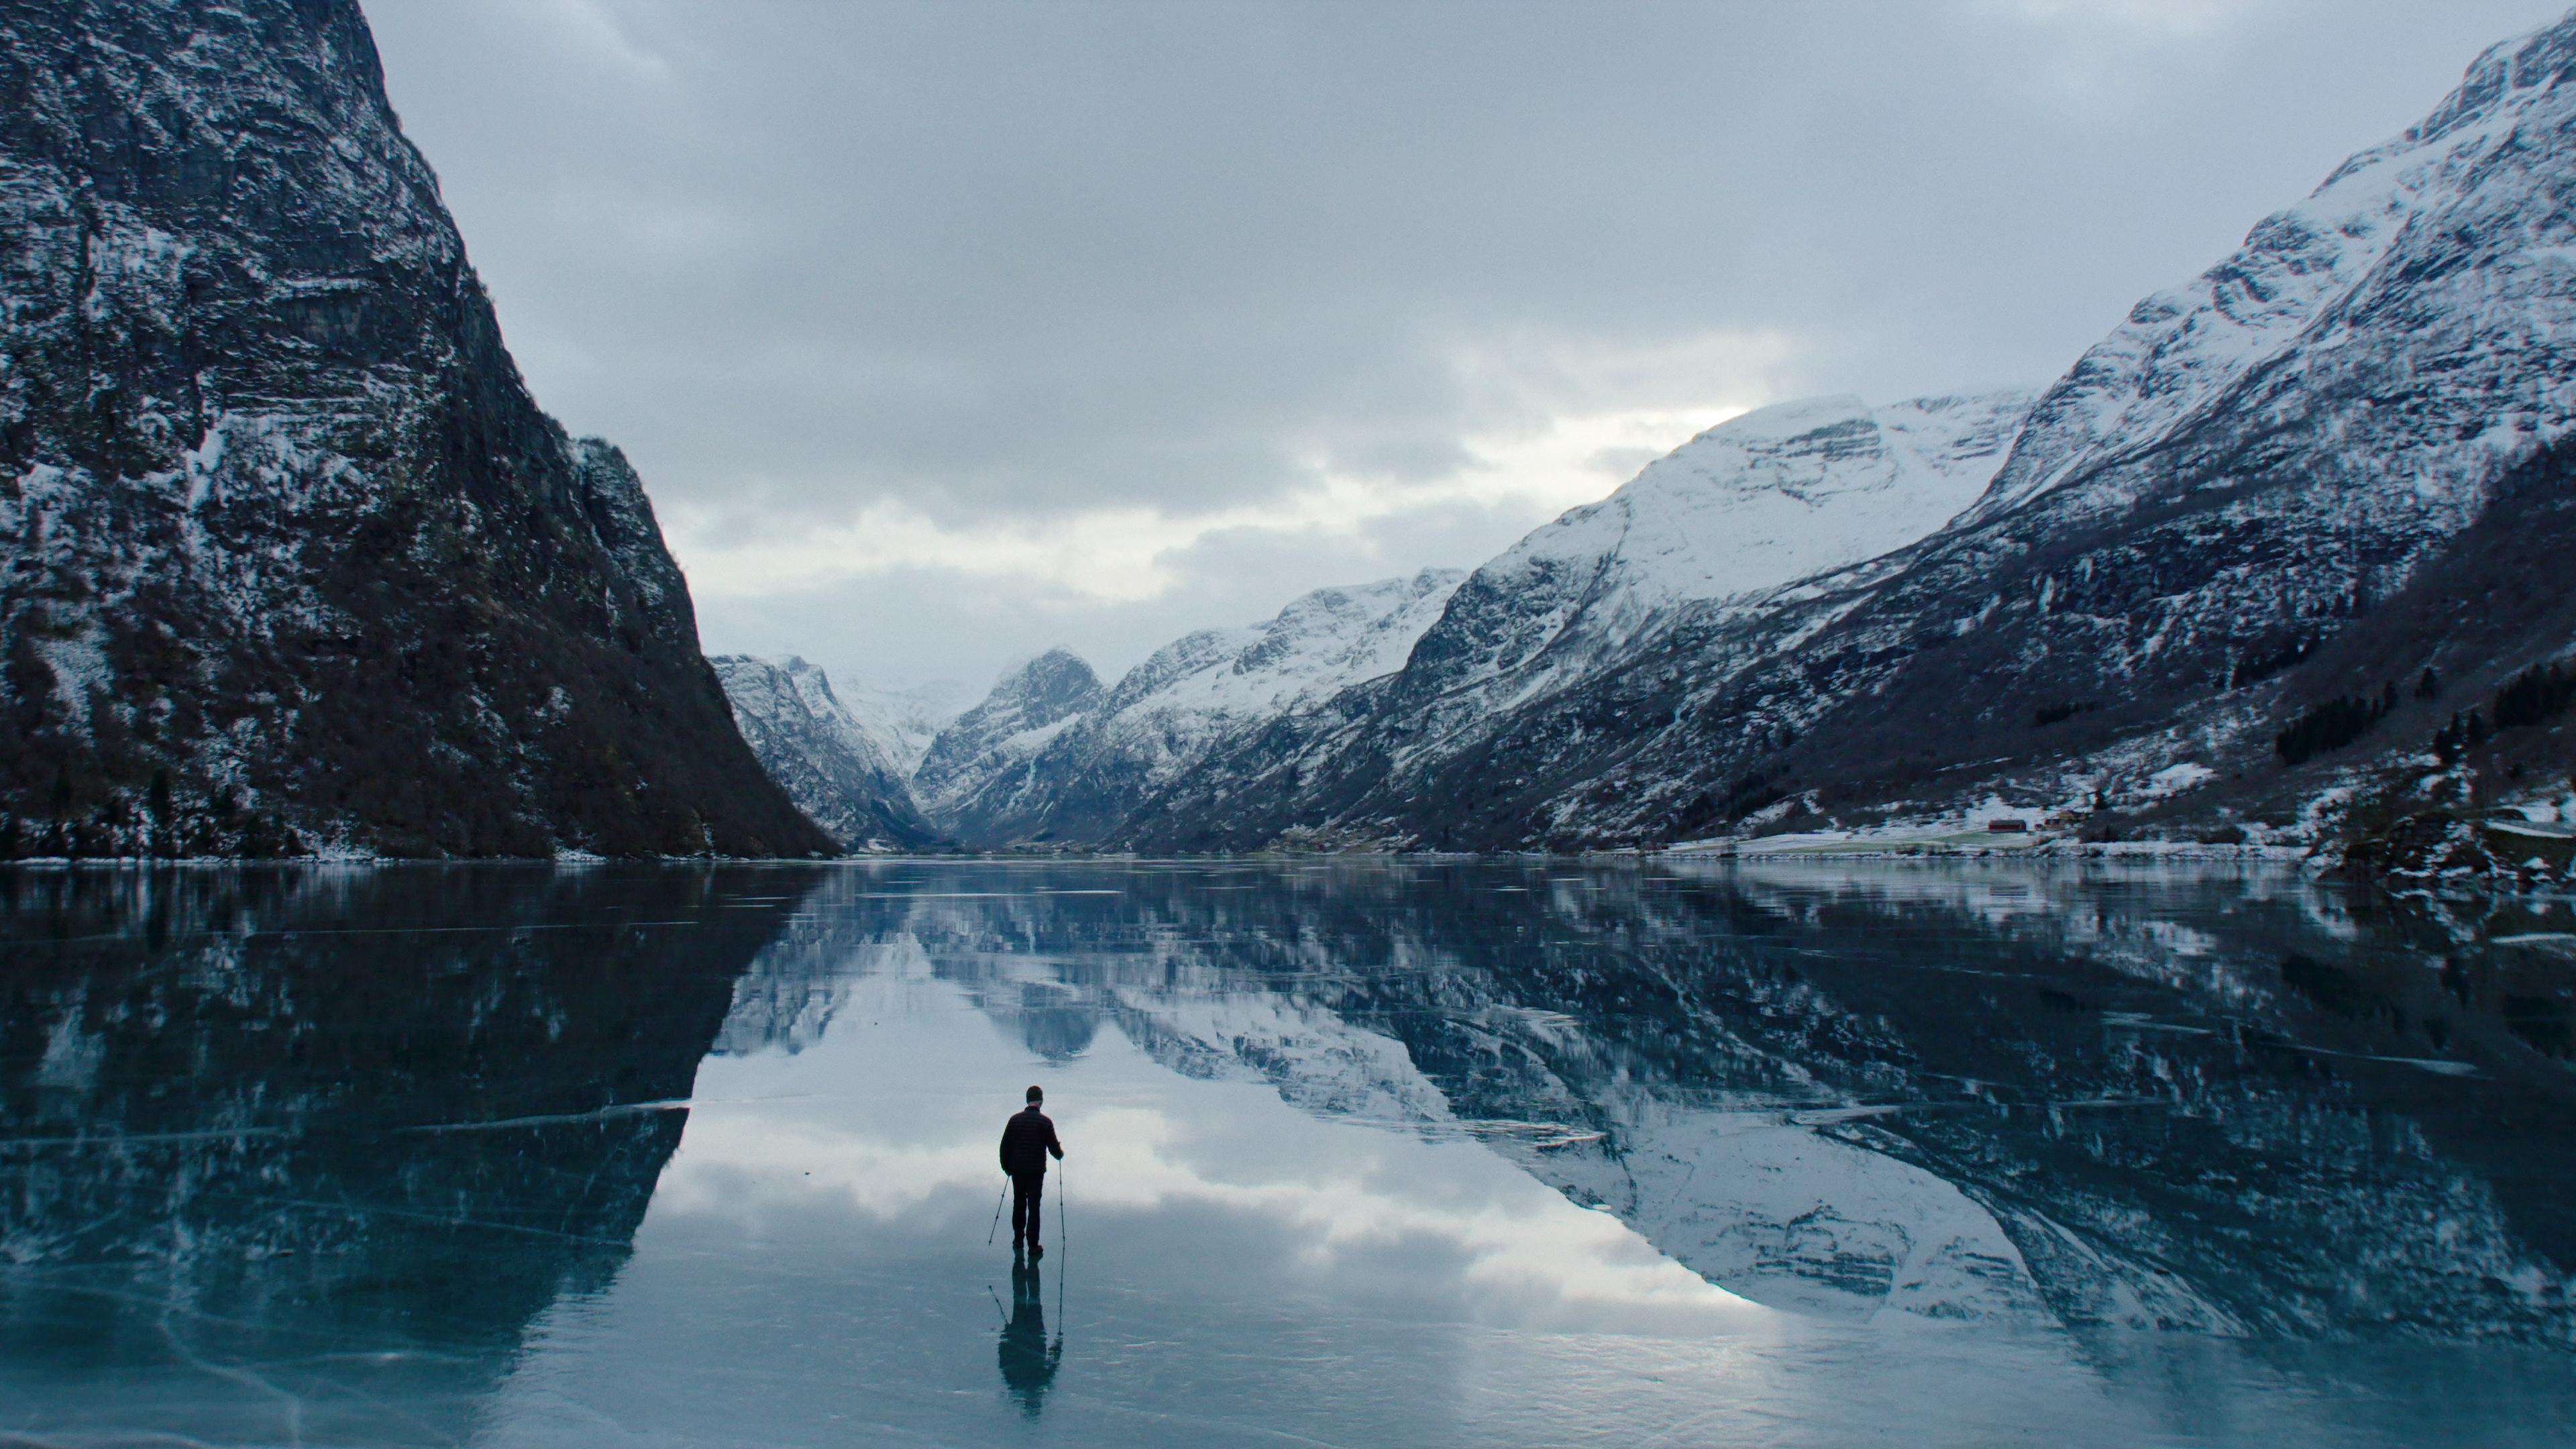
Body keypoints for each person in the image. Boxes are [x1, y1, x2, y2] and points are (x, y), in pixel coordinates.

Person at [998, 1084, 1063, 1257]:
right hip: (1036, 1171)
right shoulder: (1045, 1122)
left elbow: (1004, 1147)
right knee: (1034, 1206)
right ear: (1041, 1101)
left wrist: (1007, 1168)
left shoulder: (1014, 1120)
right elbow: (1054, 1149)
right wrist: (1060, 1154)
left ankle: (1018, 1239)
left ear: (1027, 1101)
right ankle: (1033, 1245)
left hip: (1017, 1170)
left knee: (1019, 1202)